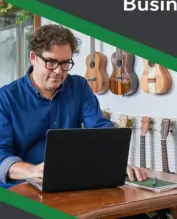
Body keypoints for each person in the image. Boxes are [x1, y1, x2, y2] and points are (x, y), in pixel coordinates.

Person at [0, 24, 147, 189]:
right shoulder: (5, 97)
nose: (58, 71)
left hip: (71, 184)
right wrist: (33, 171)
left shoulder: (80, 86)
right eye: (51, 62)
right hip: (22, 188)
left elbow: (99, 127)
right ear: (33, 58)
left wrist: (115, 160)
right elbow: (1, 155)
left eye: (65, 63)